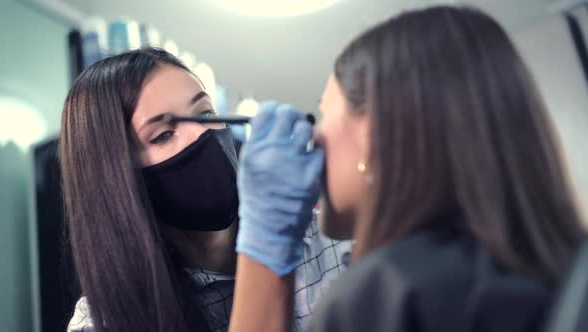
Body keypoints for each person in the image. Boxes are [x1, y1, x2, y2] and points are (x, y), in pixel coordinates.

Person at [228, 5, 586, 332]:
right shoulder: (566, 269)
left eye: (322, 114)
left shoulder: (384, 295)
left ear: (373, 131)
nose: (315, 139)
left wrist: (264, 246)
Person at [60, 47, 351, 332]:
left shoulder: (339, 243)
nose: (203, 133)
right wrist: (266, 244)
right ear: (118, 178)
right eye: (163, 135)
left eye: (207, 113)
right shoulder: (101, 322)